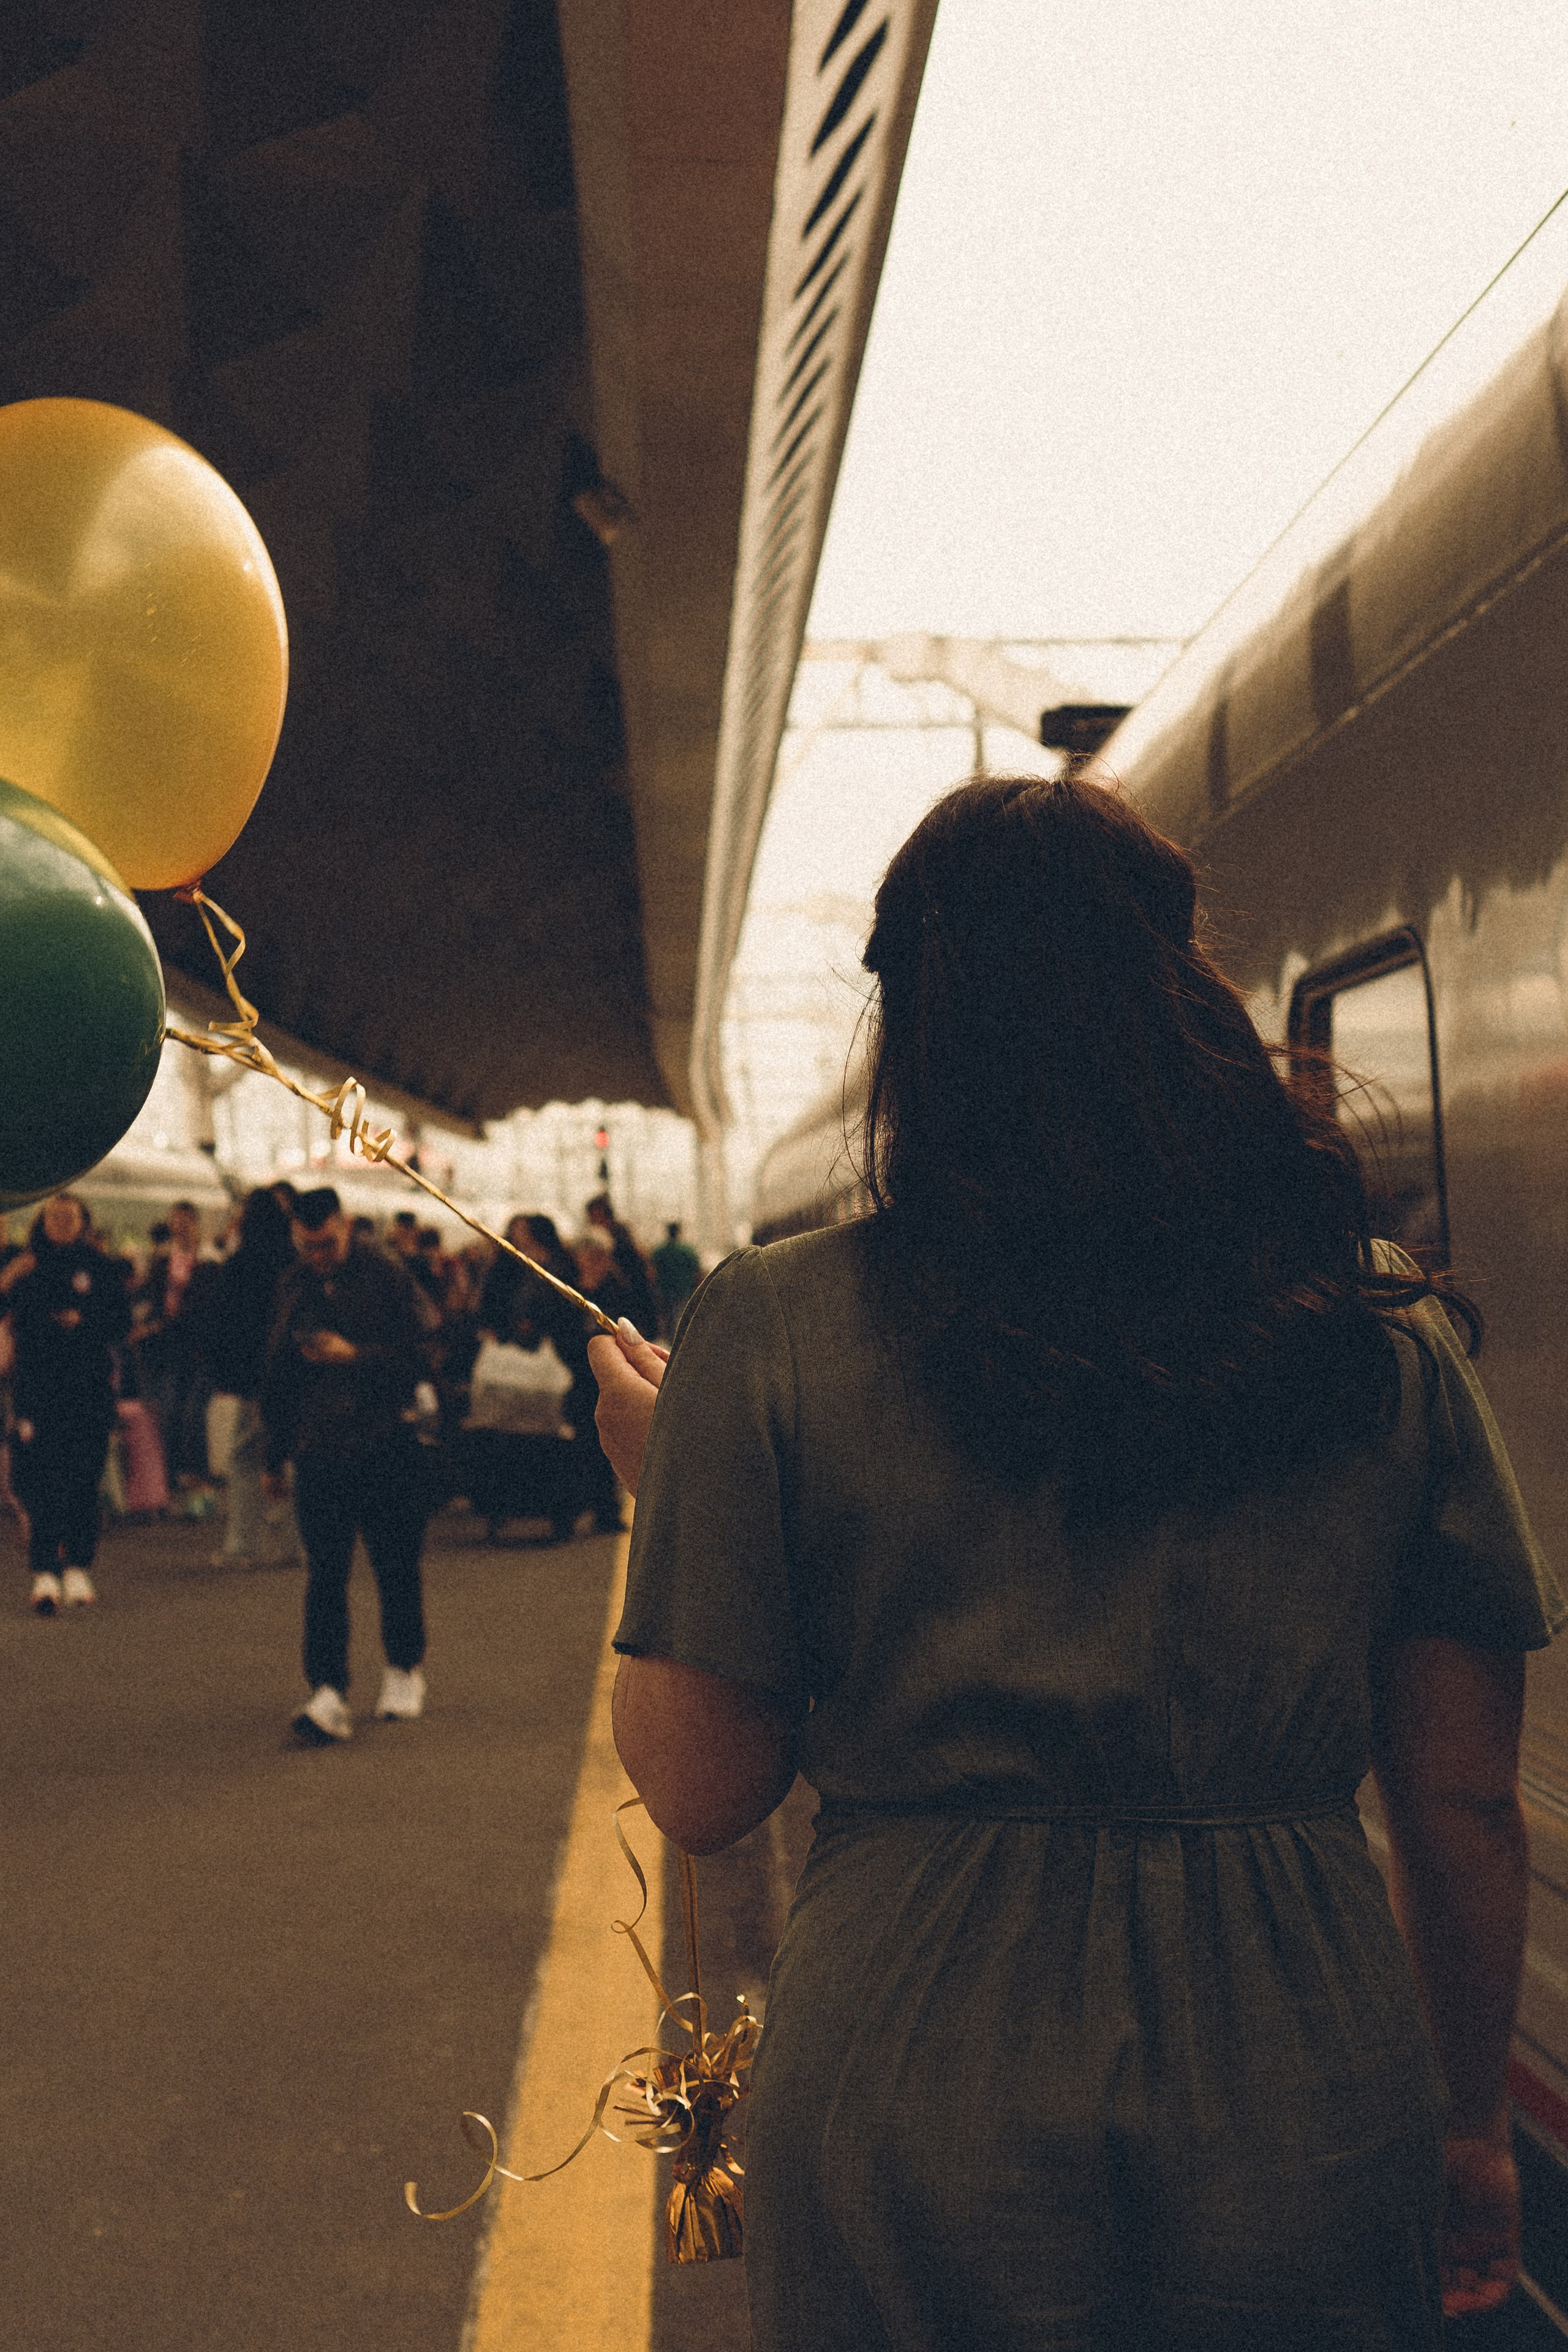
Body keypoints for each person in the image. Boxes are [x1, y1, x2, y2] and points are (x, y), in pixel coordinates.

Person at [590, 774, 1566, 2350]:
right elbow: (1456, 1798)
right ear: (1178, 993)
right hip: (1299, 2053)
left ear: (910, 1021)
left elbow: (704, 1785)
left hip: (914, 2057)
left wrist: (670, 1489)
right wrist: (1463, 2120)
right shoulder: (1375, 1328)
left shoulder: (769, 1324)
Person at [260, 1187, 435, 1744]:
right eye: (307, 1246)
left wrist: (353, 1355)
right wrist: (275, 1453)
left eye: (326, 1243)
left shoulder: (387, 1274)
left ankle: (404, 1669)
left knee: (395, 1565)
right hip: (319, 1450)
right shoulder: (294, 1283)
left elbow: (420, 1358)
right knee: (326, 1575)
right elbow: (278, 1374)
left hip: (385, 1444)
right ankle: (329, 1690)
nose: (318, 1255)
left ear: (347, 1225)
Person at [2, 1193, 130, 1613]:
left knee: (83, 1479)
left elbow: (121, 1322)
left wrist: (84, 1322)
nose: (60, 1223)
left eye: (68, 1216)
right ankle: (43, 1570)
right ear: (42, 1220)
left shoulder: (100, 1267)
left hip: (88, 1391)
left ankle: (78, 1565)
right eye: (53, 1216)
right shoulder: (25, 1264)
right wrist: (8, 1279)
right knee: (41, 1480)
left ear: (83, 1221)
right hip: (37, 1392)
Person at [198, 1188, 303, 1569]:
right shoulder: (295, 1262)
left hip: (255, 1379)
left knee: (244, 1456)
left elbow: (224, 1324)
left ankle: (243, 1544)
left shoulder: (240, 1264)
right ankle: (295, 1543)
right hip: (293, 1374)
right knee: (290, 1454)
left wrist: (227, 1374)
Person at [650, 1219, 701, 1338]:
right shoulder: (687, 1251)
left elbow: (652, 1273)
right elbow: (697, 1273)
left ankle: (671, 1342)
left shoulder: (659, 1251)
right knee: (683, 1315)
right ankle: (682, 1340)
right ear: (679, 1232)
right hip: (684, 1289)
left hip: (665, 1289)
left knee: (669, 1318)